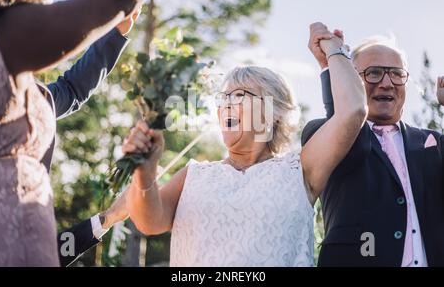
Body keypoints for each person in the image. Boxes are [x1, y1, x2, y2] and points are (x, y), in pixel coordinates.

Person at [124, 22, 367, 266]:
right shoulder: (194, 175)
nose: (226, 104)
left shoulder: (300, 170)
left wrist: (332, 51)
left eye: (240, 95)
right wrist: (144, 173)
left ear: (274, 112)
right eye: (224, 97)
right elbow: (149, 222)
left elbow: (353, 111)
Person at [0, 0, 180, 266]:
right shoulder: (1, 50)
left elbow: (71, 88)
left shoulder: (25, 99)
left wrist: (107, 219)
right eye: (37, 13)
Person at [302, 31, 444, 266]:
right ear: (351, 81)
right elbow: (347, 121)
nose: (387, 83)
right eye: (374, 73)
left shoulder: (434, 142)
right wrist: (333, 60)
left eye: (397, 74)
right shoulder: (321, 133)